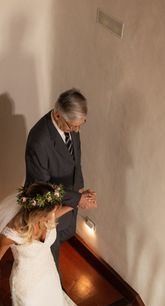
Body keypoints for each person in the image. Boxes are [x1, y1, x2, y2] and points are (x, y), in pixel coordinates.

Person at [25, 88, 97, 267]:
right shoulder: (39, 141)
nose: (77, 130)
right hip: (49, 208)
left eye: (81, 124)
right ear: (57, 116)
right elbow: (43, 187)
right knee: (50, 254)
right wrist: (77, 199)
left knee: (65, 234)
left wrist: (79, 189)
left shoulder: (72, 124)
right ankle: (54, 289)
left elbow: (74, 159)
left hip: (70, 196)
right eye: (73, 126)